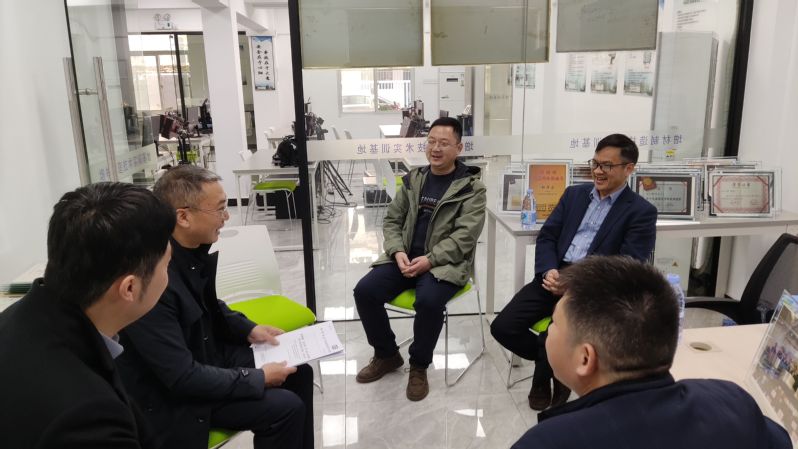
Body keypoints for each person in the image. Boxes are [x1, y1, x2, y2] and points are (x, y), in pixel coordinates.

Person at [116, 166, 313, 449]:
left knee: (299, 370)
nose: (226, 216)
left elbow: (207, 304)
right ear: (183, 217)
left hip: (206, 356)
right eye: (220, 209)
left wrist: (249, 329)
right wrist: (257, 378)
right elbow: (182, 377)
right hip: (175, 396)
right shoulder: (152, 278)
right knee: (285, 408)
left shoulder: (188, 252)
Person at [511, 256, 791, 449]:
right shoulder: (731, 401)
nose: (548, 332)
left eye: (554, 324)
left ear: (586, 358)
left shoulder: (546, 442)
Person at [0, 182, 175, 448]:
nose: (168, 276)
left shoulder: (23, 316)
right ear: (129, 288)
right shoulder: (89, 421)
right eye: (167, 265)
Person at [491, 133, 657, 411]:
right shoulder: (574, 194)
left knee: (555, 332)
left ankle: (543, 378)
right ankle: (553, 363)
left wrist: (576, 282)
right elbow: (548, 236)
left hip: (591, 289)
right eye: (595, 163)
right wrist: (548, 270)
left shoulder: (641, 211)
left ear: (629, 168)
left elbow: (628, 264)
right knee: (502, 327)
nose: (598, 171)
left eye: (607, 166)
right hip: (554, 275)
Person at [354, 116, 487, 401]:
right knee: (364, 291)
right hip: (405, 258)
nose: (435, 148)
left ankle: (419, 366)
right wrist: (397, 251)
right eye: (431, 141)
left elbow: (465, 238)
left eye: (444, 143)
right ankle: (387, 354)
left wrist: (429, 260)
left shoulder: (472, 189)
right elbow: (392, 220)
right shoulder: (414, 179)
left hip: (443, 264)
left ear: (459, 148)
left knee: (427, 302)